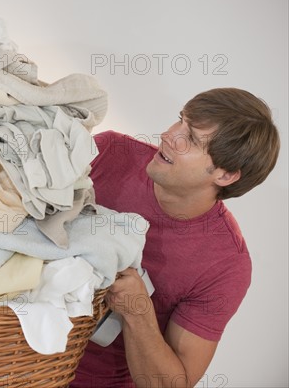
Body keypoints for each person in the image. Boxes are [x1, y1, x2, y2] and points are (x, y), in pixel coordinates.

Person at [72, 88, 280, 387]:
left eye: (192, 138)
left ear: (225, 175)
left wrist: (138, 312)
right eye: (179, 120)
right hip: (0, 354)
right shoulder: (107, 151)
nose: (168, 135)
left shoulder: (225, 265)